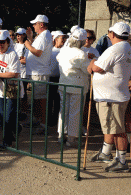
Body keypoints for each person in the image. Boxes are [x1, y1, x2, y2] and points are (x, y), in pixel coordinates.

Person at [88, 22, 131, 172]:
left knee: (118, 129)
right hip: (114, 95)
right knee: (112, 127)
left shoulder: (114, 49)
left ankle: (122, 161)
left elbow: (97, 68)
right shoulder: (126, 47)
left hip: (112, 97)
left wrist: (92, 62)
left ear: (112, 34)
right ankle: (109, 154)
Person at [56, 29, 90, 147]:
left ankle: (61, 135)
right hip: (77, 86)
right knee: (75, 112)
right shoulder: (81, 54)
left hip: (64, 84)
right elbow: (87, 69)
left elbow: (58, 59)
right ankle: (71, 139)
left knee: (63, 110)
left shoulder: (64, 50)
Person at [0, 30, 23, 146]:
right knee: (3, 115)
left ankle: (6, 141)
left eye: (2, 42)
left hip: (11, 89)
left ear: (8, 42)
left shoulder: (12, 54)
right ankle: (16, 128)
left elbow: (14, 74)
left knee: (8, 116)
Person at [24, 14, 53, 133]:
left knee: (41, 100)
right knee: (36, 99)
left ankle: (43, 124)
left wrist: (27, 44)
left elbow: (38, 52)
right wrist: (30, 39)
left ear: (41, 24)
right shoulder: (42, 36)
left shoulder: (44, 35)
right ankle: (37, 120)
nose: (33, 26)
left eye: (35, 24)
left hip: (40, 73)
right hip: (37, 72)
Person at [48, 31, 67, 127]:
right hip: (50, 79)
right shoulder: (50, 50)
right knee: (49, 99)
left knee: (58, 100)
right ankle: (48, 119)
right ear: (56, 39)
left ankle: (56, 119)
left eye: (64, 38)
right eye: (61, 38)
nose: (64, 40)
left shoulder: (66, 51)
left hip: (61, 79)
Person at [15, 28, 29, 113]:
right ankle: (17, 109)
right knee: (16, 91)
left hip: (24, 73)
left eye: (20, 35)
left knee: (23, 93)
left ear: (24, 35)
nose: (18, 36)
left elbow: (26, 60)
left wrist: (18, 59)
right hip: (16, 72)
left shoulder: (27, 45)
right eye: (17, 35)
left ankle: (23, 110)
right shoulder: (15, 45)